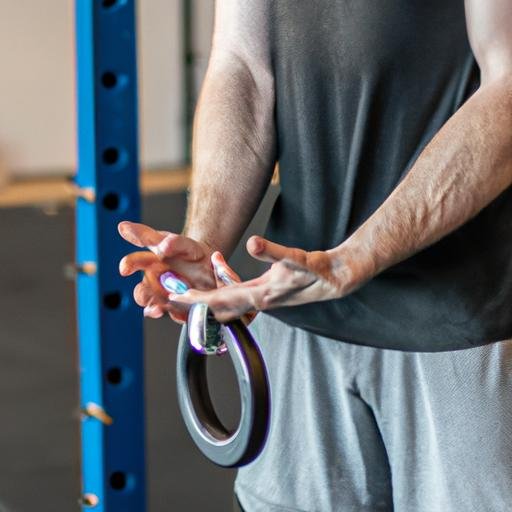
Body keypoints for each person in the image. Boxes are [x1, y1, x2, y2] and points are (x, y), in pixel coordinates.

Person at [119, 1, 512, 510]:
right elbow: (242, 65)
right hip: (295, 307)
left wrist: (357, 258)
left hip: (456, 323)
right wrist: (205, 240)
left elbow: (506, 85)